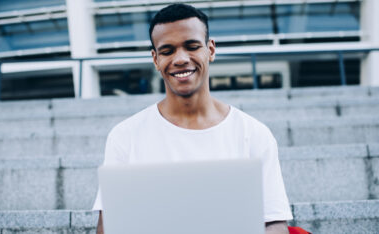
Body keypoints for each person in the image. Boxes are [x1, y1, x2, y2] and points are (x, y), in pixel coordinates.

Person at [93, 3, 293, 234]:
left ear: (211, 50)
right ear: (155, 59)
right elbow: (109, 227)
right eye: (167, 51)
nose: (180, 59)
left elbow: (275, 224)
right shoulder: (125, 135)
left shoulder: (253, 133)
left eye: (192, 46)